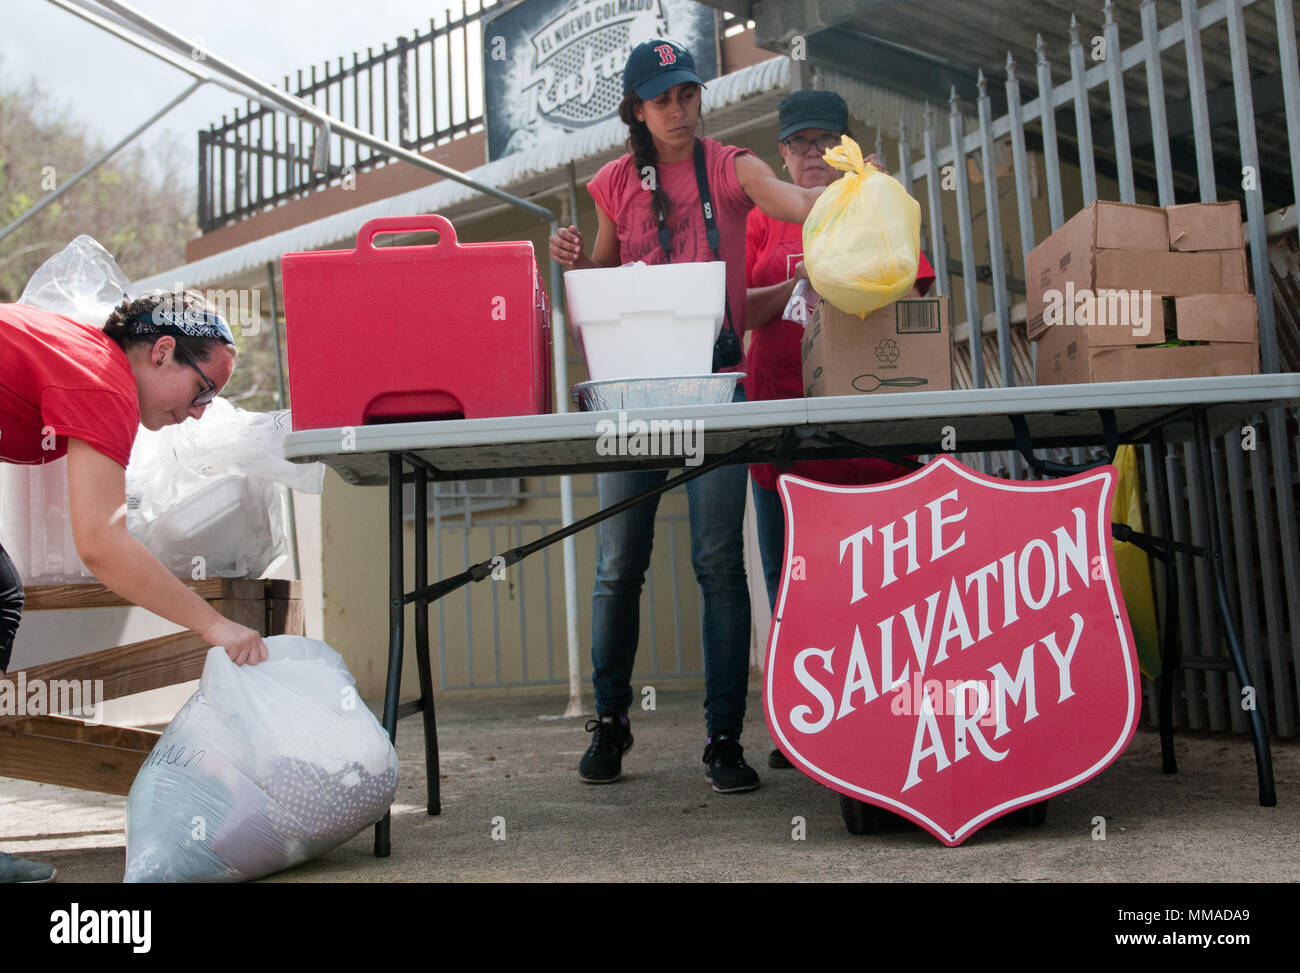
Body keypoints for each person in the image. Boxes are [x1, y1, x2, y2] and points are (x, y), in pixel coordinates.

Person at [550, 39, 837, 793]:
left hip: (716, 382)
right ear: (637, 110)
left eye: (687, 94)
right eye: (662, 99)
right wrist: (573, 256)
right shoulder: (614, 181)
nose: (679, 110)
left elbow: (795, 203)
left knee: (717, 562)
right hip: (631, 392)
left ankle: (722, 739)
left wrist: (856, 195)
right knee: (619, 565)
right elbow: (603, 279)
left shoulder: (732, 165)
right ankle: (610, 723)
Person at [0, 290, 270, 881]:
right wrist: (214, 625)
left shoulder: (82, 354)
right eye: (203, 390)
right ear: (163, 351)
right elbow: (101, 542)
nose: (201, 411)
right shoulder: (103, 380)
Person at [744, 90, 936, 768]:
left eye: (825, 141)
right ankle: (804, 726)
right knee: (790, 584)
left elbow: (917, 292)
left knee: (879, 583)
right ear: (782, 153)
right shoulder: (765, 218)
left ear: (847, 145)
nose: (811, 155)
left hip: (867, 433)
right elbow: (736, 306)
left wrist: (874, 194)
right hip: (780, 430)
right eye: (797, 144)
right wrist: (795, 291)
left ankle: (884, 712)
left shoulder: (874, 198)